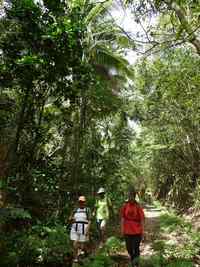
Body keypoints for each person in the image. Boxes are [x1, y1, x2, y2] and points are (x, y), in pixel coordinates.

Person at [120, 188, 145, 267]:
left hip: (137, 231)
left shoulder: (138, 206)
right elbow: (122, 218)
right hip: (127, 230)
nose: (131, 198)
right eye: (129, 196)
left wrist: (143, 231)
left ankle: (136, 263)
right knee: (129, 248)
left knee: (136, 248)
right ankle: (132, 258)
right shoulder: (125, 206)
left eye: (132, 196)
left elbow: (142, 219)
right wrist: (121, 229)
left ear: (134, 197)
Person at [69, 196, 91, 263]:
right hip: (75, 227)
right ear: (78, 202)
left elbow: (89, 220)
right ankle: (76, 258)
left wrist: (87, 229)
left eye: (82, 202)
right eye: (80, 201)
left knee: (81, 244)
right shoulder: (75, 209)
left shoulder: (87, 210)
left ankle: (81, 256)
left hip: (84, 227)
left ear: (85, 202)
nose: (81, 203)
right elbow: (70, 218)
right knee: (75, 243)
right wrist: (71, 219)